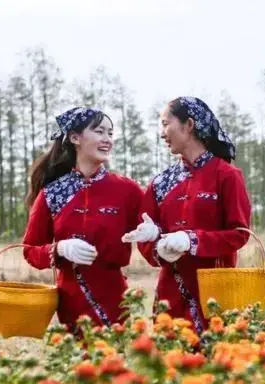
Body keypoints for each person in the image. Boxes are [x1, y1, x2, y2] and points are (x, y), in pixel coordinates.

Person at [123, 97, 251, 333]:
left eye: (165, 123)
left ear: (189, 124)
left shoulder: (227, 175)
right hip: (169, 298)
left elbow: (239, 234)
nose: (162, 133)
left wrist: (192, 240)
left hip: (215, 297)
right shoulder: (160, 182)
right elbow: (147, 237)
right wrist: (157, 245)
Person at [22, 107, 144, 332]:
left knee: (117, 364)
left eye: (110, 133)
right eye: (99, 131)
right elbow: (30, 250)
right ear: (75, 137)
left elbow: (154, 231)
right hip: (71, 302)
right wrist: (59, 249)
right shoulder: (53, 193)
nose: (107, 139)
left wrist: (153, 232)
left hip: (117, 300)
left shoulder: (128, 190)